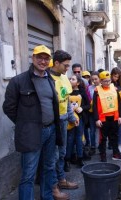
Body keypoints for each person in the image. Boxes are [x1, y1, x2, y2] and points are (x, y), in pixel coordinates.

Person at [2, 45, 62, 200]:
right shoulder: (19, 81)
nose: (43, 61)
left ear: (50, 61)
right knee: (29, 172)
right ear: (33, 58)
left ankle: (47, 197)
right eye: (39, 57)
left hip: (51, 130)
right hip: (31, 133)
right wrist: (25, 123)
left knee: (48, 167)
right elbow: (8, 107)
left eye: (46, 58)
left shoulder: (50, 79)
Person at [49, 50, 79, 199]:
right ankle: (53, 186)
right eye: (66, 65)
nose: (68, 68)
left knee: (62, 152)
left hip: (63, 121)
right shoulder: (47, 78)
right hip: (52, 123)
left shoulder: (64, 78)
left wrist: (71, 116)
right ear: (56, 63)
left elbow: (66, 100)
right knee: (53, 156)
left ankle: (61, 180)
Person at [93, 71, 121, 162]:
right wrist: (97, 119)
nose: (107, 83)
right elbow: (94, 106)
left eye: (108, 81)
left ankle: (116, 154)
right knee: (103, 138)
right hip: (103, 118)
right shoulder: (97, 91)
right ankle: (102, 154)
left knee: (114, 136)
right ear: (100, 81)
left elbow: (119, 103)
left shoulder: (114, 89)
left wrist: (120, 116)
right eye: (105, 81)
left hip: (114, 117)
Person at [65, 74, 90, 168]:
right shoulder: (67, 91)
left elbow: (88, 105)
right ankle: (67, 159)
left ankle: (80, 158)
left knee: (79, 138)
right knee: (70, 139)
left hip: (80, 119)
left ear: (78, 82)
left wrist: (82, 108)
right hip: (69, 119)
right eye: (70, 79)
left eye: (73, 79)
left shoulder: (82, 92)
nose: (70, 80)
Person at [111, 67, 121, 154]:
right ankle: (113, 145)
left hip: (119, 109)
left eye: (118, 76)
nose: (116, 78)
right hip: (110, 109)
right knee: (112, 130)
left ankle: (119, 145)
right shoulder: (108, 84)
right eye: (114, 76)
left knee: (119, 129)